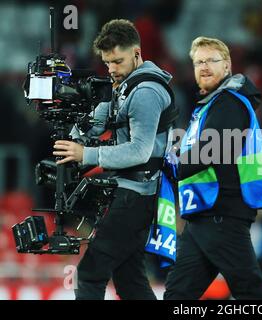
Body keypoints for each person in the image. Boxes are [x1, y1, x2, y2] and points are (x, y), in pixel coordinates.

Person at [53, 19, 177, 300]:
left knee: (88, 275)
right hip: (135, 194)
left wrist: (86, 154)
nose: (111, 70)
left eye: (117, 62)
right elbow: (98, 122)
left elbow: (139, 151)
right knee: (131, 283)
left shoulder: (145, 92)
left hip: (136, 195)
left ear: (136, 53)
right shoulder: (126, 85)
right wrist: (72, 133)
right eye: (107, 63)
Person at [163, 36, 262, 300]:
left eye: (211, 61)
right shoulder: (209, 107)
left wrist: (168, 169)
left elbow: (209, 152)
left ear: (227, 66)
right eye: (198, 62)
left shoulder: (230, 103)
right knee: (178, 294)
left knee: (250, 290)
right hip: (203, 214)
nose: (204, 67)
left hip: (222, 213)